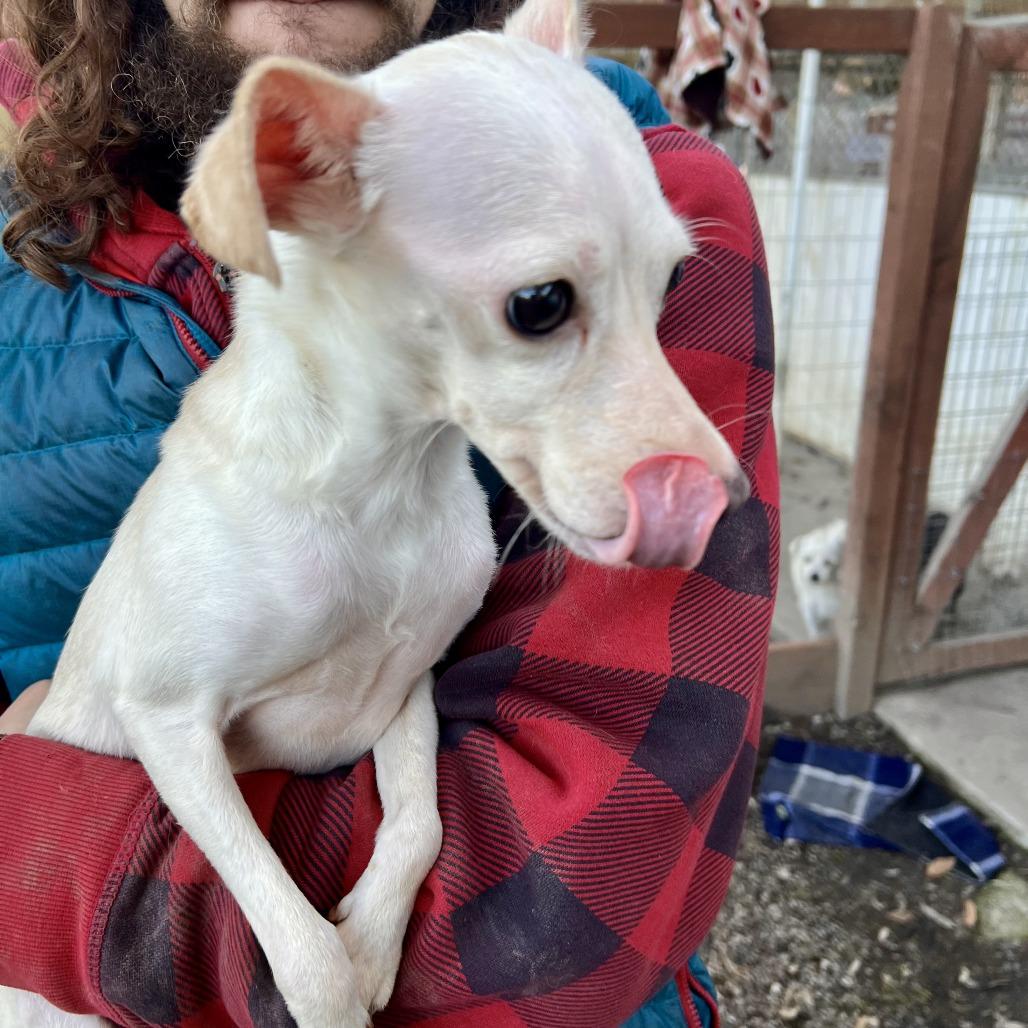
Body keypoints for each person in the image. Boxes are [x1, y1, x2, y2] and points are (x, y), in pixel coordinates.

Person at [0, 0, 778, 1024]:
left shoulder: (631, 182)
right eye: (537, 305)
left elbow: (563, 904)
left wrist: (32, 834)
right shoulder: (25, 259)